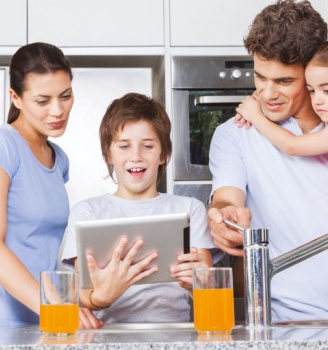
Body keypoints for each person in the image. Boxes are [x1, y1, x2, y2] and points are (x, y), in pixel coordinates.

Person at [207, 0, 328, 322]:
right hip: (289, 324)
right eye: (260, 77)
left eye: (284, 81)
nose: (267, 94)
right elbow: (227, 198)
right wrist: (223, 215)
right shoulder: (236, 134)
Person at [235, 37, 328, 319]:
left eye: (327, 91)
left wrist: (256, 115)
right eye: (312, 90)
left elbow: (293, 146)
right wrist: (266, 98)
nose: (318, 100)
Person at [0, 42, 98, 328]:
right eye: (42, 101)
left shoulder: (58, 159)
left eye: (65, 96)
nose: (58, 110)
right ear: (16, 98)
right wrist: (53, 306)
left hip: (43, 319)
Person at [61, 93, 214, 323]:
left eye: (148, 146)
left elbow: (210, 292)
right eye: (124, 146)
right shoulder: (87, 213)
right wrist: (102, 297)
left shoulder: (191, 209)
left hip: (176, 335)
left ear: (163, 154)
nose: (136, 156)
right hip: (106, 335)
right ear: (108, 154)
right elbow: (85, 295)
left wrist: (198, 283)